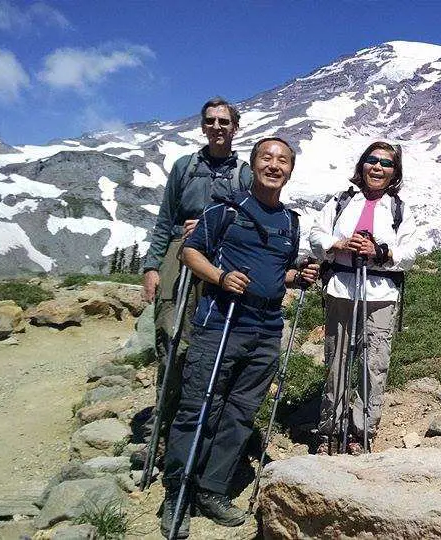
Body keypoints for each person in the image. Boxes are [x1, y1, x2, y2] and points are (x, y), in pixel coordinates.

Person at [160, 137, 319, 537]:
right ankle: (177, 493)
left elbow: (276, 271)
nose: (274, 165)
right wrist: (220, 276)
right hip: (222, 323)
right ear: (253, 165)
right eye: (267, 157)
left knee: (241, 413)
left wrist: (297, 277)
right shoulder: (226, 211)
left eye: (283, 160)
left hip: (267, 329)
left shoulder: (290, 222)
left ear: (290, 170)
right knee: (199, 406)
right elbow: (189, 253)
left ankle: (212, 490)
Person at [139, 97, 252, 466]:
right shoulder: (185, 168)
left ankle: (206, 429)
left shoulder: (245, 174)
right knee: (171, 339)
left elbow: (254, 218)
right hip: (179, 250)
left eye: (224, 122)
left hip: (221, 256)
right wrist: (152, 267)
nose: (217, 127)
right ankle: (163, 429)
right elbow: (165, 217)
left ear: (235, 128)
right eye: (211, 121)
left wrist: (213, 220)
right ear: (202, 126)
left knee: (213, 341)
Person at [309, 141, 417, 455]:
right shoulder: (342, 201)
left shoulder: (399, 209)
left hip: (381, 294)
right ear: (362, 165)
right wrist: (338, 243)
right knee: (337, 361)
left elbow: (409, 252)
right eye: (372, 160)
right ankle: (331, 429)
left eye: (386, 163)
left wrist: (381, 252)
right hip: (341, 287)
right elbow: (316, 234)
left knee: (374, 365)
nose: (378, 167)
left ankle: (361, 431)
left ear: (394, 172)